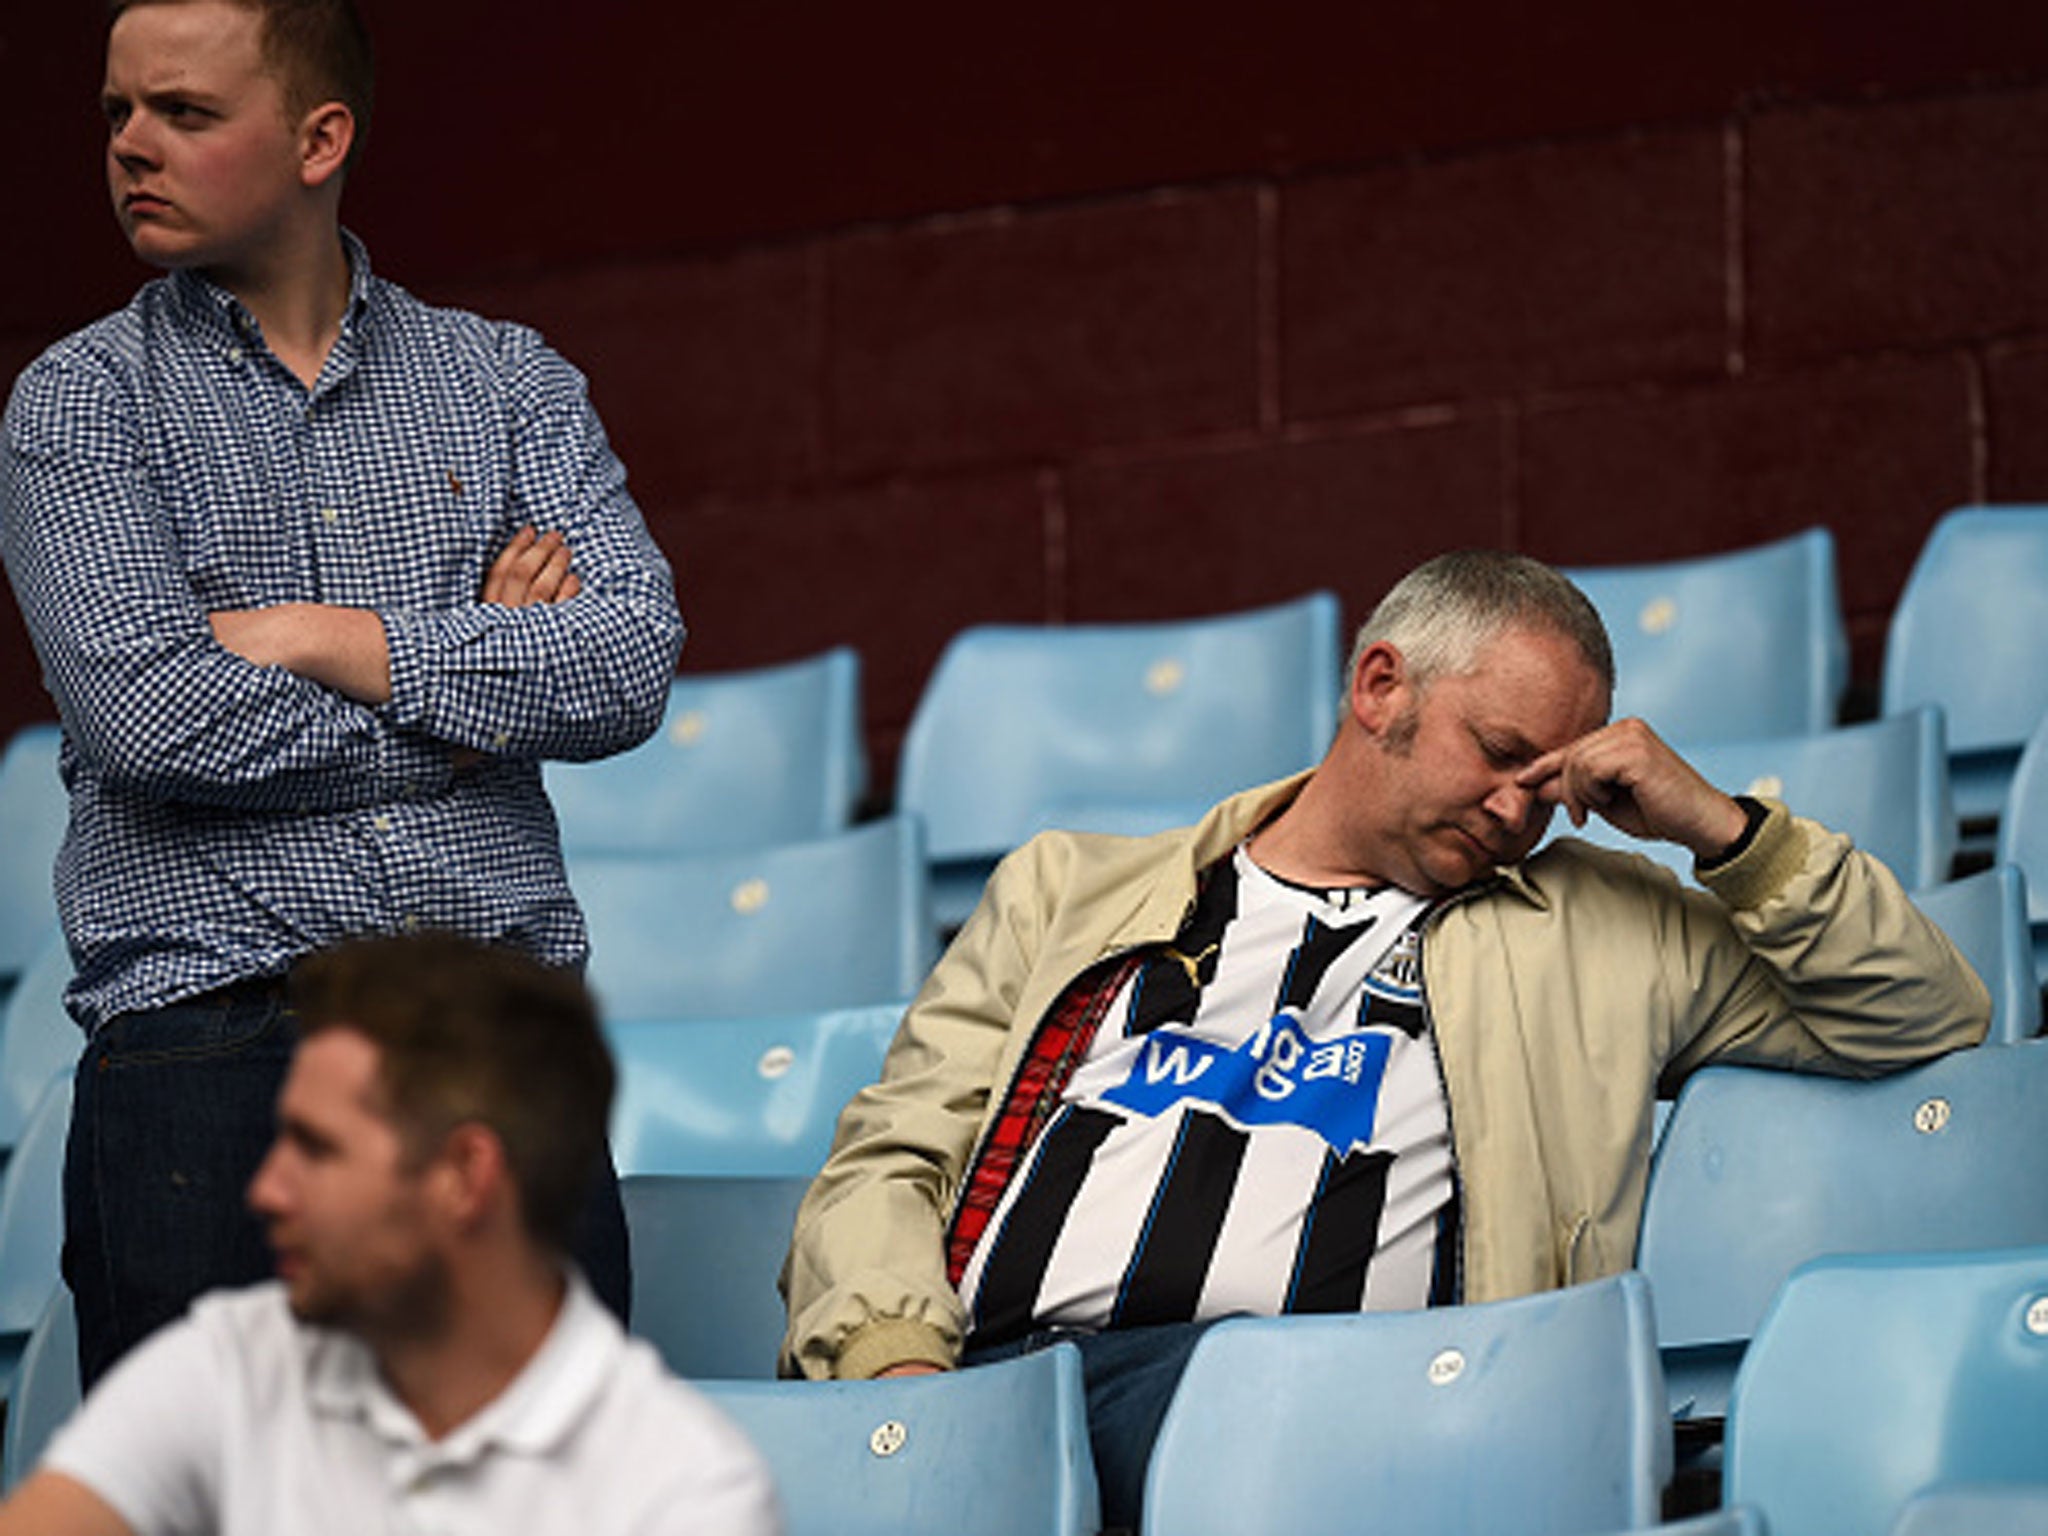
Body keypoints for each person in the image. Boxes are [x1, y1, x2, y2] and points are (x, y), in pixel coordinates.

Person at [779, 549, 1990, 1531]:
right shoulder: (1072, 890)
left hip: (1348, 1424)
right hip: (1000, 1396)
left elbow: (1925, 1009)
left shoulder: (1605, 932)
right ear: (1379, 688)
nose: (1518, 810)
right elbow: (888, 1160)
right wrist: (905, 1392)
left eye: (1545, 781)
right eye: (1499, 755)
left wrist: (1720, 832)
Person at [0, 0, 682, 1387]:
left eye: (184, 113)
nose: (132, 145)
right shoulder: (79, 405)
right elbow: (155, 718)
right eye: (117, 112)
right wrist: (472, 688)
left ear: (322, 139)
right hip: (209, 1060)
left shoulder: (508, 383)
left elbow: (626, 661)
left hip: (489, 1053)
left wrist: (329, 638)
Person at [0, 932, 781, 1536]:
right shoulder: (222, 1366)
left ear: (463, 1176)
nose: (267, 1189)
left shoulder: (682, 1484)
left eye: (318, 1149)